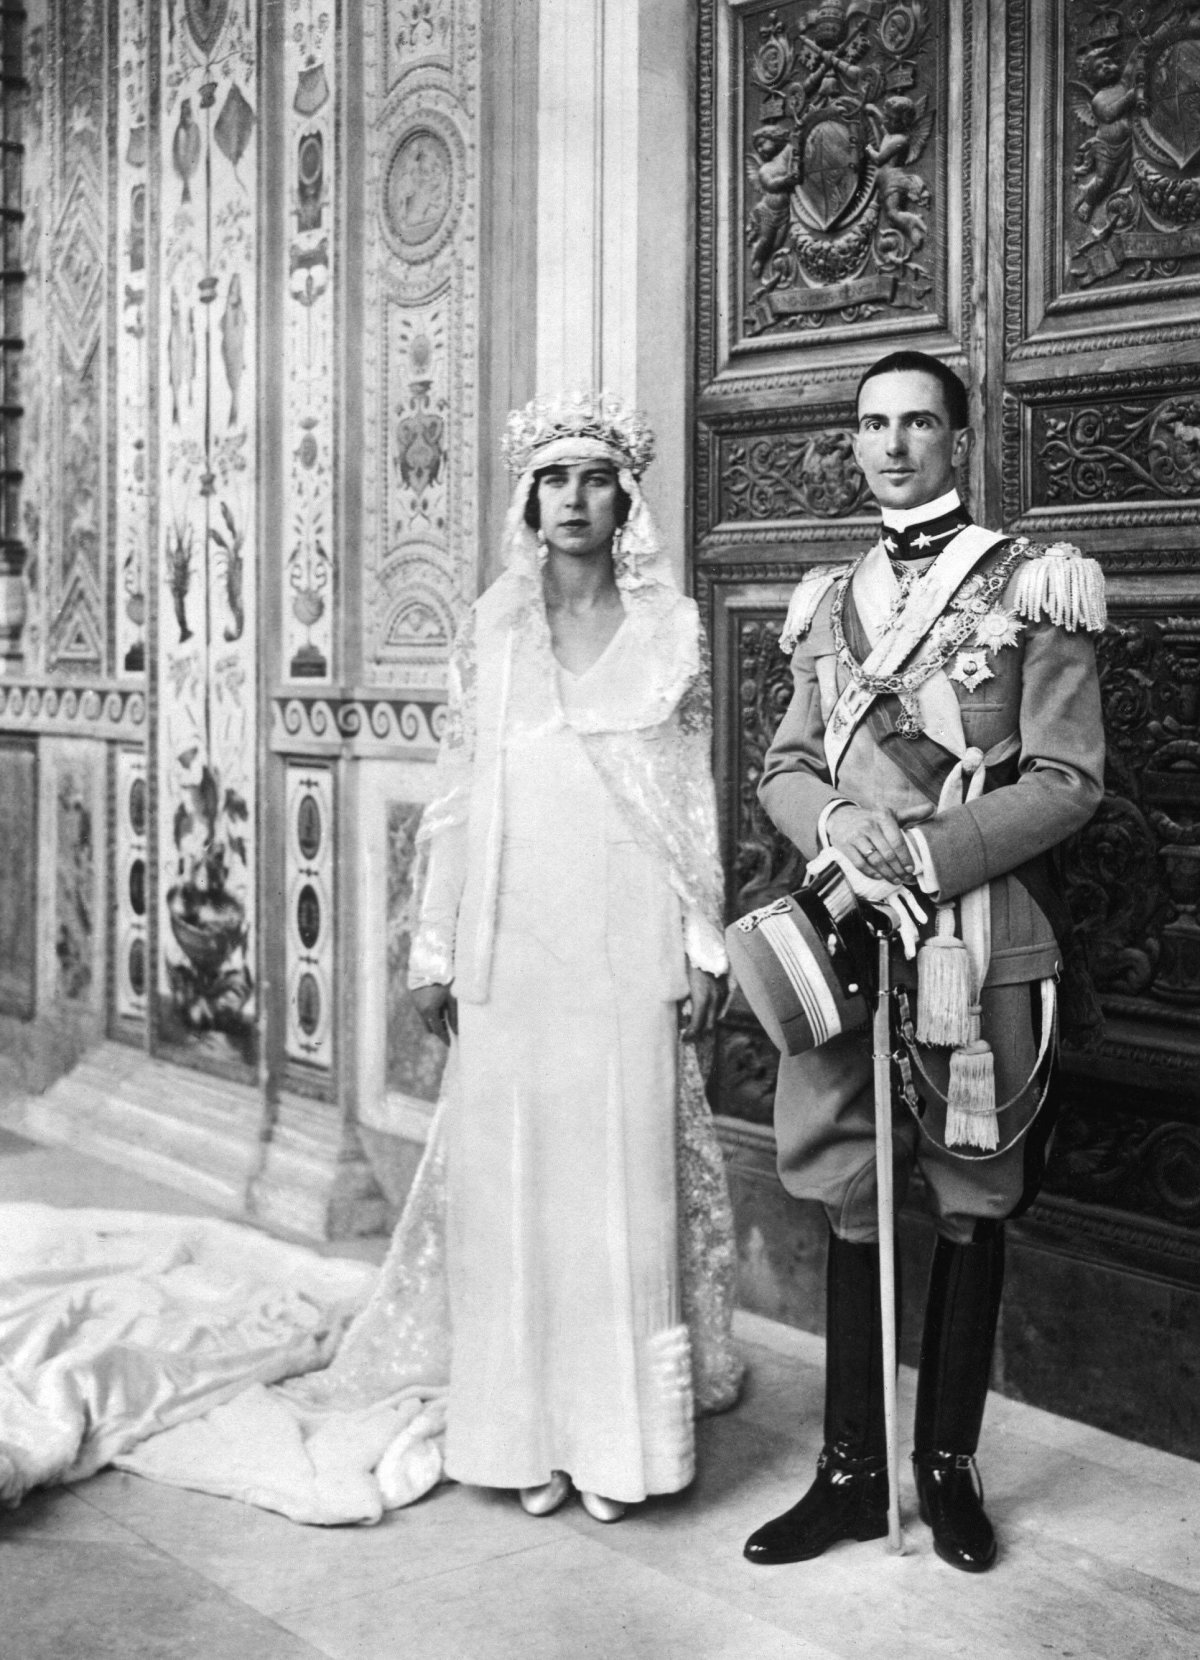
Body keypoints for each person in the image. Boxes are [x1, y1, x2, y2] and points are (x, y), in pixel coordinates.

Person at [742, 350, 1106, 1573]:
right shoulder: (826, 599)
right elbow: (788, 765)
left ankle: (946, 1468)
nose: (892, 445)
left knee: (971, 1187)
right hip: (850, 928)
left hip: (977, 934)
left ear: (959, 437)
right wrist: (836, 820)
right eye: (872, 425)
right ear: (854, 442)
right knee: (850, 1182)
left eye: (917, 423)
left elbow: (1068, 779)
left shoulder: (1034, 584)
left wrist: (932, 856)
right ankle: (850, 1474)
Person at [408, 389, 741, 1523]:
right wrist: (435, 945)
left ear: (626, 499)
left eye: (596, 478)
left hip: (624, 926)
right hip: (512, 931)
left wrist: (702, 941)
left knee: (619, 1184)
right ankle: (523, 1437)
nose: (573, 500)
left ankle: (618, 1445)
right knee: (515, 1184)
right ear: (527, 499)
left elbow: (688, 796)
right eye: (553, 479)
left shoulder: (672, 627)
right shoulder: (492, 627)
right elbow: (458, 792)